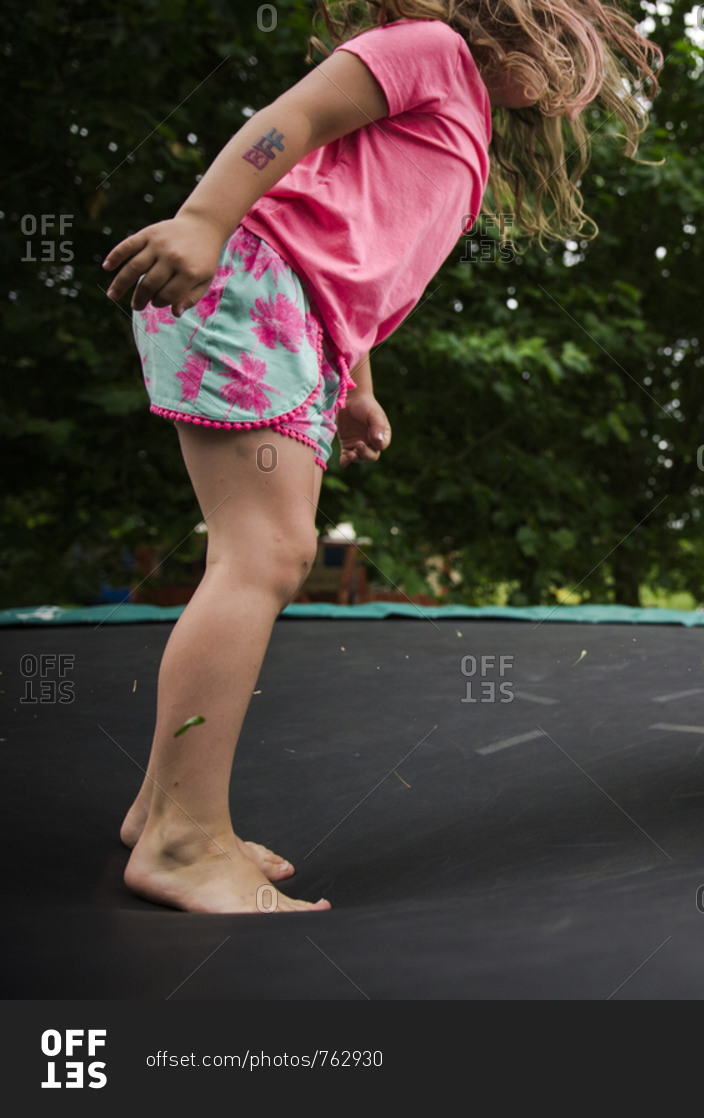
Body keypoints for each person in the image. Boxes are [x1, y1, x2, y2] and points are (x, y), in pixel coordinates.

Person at [103, 1, 661, 913]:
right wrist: (202, 220)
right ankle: (181, 841)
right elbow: (295, 120)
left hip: (301, 320)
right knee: (266, 556)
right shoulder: (430, 51)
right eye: (561, 47)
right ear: (507, 26)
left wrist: (357, 384)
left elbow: (346, 249)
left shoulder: (465, 133)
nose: (567, 77)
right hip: (245, 281)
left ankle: (162, 808)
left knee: (258, 553)